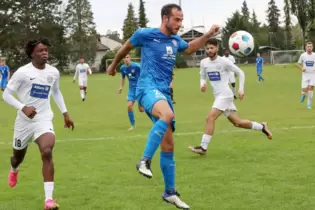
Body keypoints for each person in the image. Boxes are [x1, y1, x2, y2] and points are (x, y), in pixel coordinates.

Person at [107, 3, 220, 209]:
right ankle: (144, 160)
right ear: (165, 18)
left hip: (164, 93)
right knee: (166, 115)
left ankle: (170, 192)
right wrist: (113, 65)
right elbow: (126, 47)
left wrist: (208, 34)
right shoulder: (145, 34)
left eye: (181, 20)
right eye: (176, 19)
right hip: (147, 88)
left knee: (168, 145)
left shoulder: (176, 39)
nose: (180, 23)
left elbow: (190, 48)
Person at [3, 38, 74, 210]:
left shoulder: (53, 72)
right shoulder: (22, 73)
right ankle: (14, 169)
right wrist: (23, 107)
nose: (45, 53)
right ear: (31, 54)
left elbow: (56, 92)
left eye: (46, 50)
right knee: (17, 156)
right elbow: (6, 95)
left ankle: (48, 200)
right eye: (40, 50)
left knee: (47, 151)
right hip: (24, 122)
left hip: (43, 119)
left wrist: (65, 113)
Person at [188, 39, 272, 155]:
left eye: (212, 48)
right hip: (218, 96)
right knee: (237, 123)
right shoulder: (204, 63)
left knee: (210, 118)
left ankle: (203, 147)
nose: (209, 50)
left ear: (217, 48)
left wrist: (241, 89)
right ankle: (262, 127)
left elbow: (241, 73)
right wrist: (202, 84)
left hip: (225, 95)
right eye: (207, 48)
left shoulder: (224, 62)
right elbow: (202, 76)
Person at [118, 53, 143, 130]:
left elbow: (146, 72)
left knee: (141, 110)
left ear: (130, 58)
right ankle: (133, 125)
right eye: (124, 57)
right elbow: (123, 78)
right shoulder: (122, 68)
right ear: (123, 59)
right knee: (129, 106)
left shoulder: (136, 66)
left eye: (127, 57)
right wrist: (121, 87)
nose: (126, 59)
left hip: (140, 88)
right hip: (131, 89)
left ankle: (158, 117)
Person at [297, 41, 315, 109]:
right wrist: (302, 68)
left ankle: (308, 104)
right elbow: (298, 64)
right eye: (308, 46)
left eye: (310, 46)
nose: (309, 48)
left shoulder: (314, 55)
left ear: (312, 47)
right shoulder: (303, 55)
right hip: (305, 75)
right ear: (306, 47)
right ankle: (303, 94)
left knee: (310, 88)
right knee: (304, 89)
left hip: (313, 75)